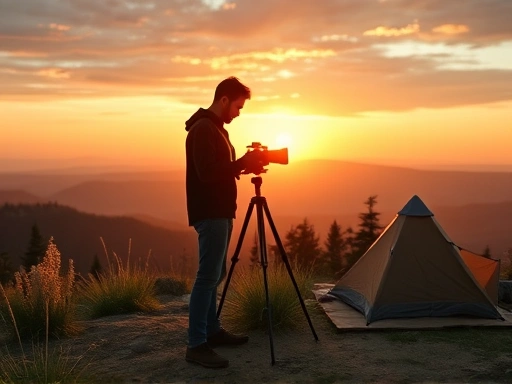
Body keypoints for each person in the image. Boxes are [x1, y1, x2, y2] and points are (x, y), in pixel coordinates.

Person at [184, 77, 264, 369]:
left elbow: (220, 169)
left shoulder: (215, 129)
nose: (238, 113)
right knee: (207, 278)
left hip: (220, 211)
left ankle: (211, 331)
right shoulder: (204, 129)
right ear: (224, 100)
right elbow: (207, 174)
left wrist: (240, 165)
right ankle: (196, 345)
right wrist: (242, 163)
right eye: (238, 107)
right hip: (210, 212)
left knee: (215, 274)